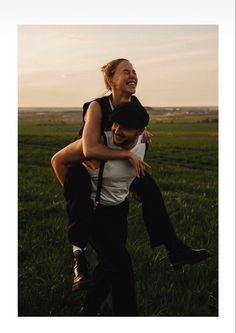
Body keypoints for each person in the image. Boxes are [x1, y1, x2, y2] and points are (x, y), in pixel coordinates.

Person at [51, 58, 209, 292]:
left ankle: (174, 249)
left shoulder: (134, 103)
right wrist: (127, 154)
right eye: (126, 72)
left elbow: (137, 126)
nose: (133, 75)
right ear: (110, 80)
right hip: (85, 168)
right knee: (109, 250)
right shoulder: (98, 106)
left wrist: (142, 136)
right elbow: (88, 149)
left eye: (135, 71)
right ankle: (79, 256)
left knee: (151, 190)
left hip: (113, 170)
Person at [53, 102, 150, 315]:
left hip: (119, 211)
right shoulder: (99, 143)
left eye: (124, 127)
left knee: (108, 267)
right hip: (96, 213)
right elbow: (58, 161)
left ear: (140, 131)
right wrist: (77, 197)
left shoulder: (144, 143)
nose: (116, 129)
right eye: (115, 123)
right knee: (122, 267)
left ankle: (87, 312)